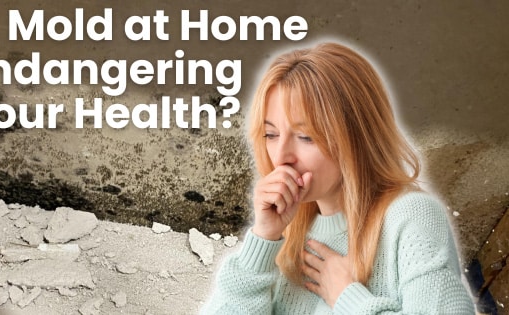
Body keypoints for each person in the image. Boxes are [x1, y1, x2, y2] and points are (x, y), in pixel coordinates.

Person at [200, 43, 475, 314]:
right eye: (271, 135)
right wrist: (262, 242)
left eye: (305, 137)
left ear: (356, 137)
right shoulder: (288, 236)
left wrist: (349, 299)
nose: (282, 155)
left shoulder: (411, 217)